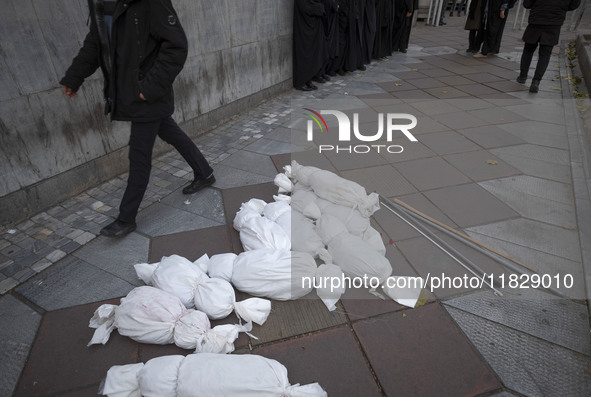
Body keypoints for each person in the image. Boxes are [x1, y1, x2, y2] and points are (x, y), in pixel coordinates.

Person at [60, 0, 215, 238]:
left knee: (139, 155)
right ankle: (204, 173)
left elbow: (176, 45)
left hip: (147, 95)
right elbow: (96, 43)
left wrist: (149, 88)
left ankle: (126, 218)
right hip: (128, 93)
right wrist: (74, 76)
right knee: (170, 132)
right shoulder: (101, 3)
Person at [517, 0, 581, 93]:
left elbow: (527, 4)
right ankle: (536, 81)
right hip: (554, 24)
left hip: (536, 21)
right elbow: (573, 5)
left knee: (528, 50)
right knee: (545, 55)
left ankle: (523, 76)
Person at [293, 0, 327, 90]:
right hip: (304, 28)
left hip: (312, 27)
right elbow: (306, 7)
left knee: (312, 55)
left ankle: (308, 79)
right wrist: (320, 7)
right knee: (305, 54)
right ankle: (301, 82)